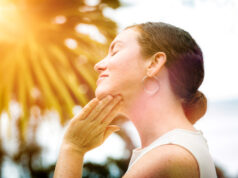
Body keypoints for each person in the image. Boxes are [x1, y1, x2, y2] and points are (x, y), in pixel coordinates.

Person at [54, 22, 217, 178]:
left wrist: (72, 149)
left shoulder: (168, 157)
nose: (98, 65)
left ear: (154, 63)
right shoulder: (177, 147)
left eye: (115, 51)